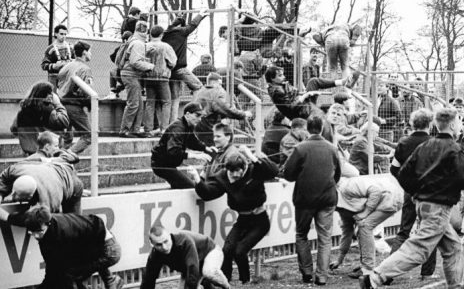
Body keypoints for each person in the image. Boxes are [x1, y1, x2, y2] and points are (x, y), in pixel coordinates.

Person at [359, 108, 464, 289]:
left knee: (453, 247)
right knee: (419, 249)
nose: (460, 126)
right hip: (439, 208)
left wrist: (416, 192)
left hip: (422, 203)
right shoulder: (455, 148)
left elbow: (401, 172)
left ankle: (456, 285)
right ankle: (375, 278)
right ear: (452, 125)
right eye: (459, 122)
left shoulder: (424, 146)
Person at [188, 145, 278, 284]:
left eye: (238, 172)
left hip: (259, 220)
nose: (235, 175)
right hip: (243, 219)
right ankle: (225, 281)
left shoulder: (255, 171)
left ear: (245, 168)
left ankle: (245, 281)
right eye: (231, 172)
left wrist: (250, 155)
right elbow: (208, 193)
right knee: (227, 249)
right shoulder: (223, 177)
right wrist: (197, 180)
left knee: (240, 251)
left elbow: (273, 171)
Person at [284, 116, 341, 285]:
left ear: (308, 129)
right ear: (322, 128)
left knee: (302, 234)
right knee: (325, 238)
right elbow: (337, 174)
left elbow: (288, 174)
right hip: (327, 197)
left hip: (305, 199)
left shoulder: (300, 148)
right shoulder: (332, 148)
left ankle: (307, 272)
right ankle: (322, 275)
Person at [388, 108, 437, 282]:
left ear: (411, 123)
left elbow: (394, 168)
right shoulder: (434, 143)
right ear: (430, 124)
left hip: (410, 192)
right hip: (429, 194)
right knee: (429, 232)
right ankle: (427, 272)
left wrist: (406, 183)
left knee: (404, 231)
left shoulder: (403, 142)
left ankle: (389, 271)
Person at [24, 205, 123, 289]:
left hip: (108, 249)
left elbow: (59, 272)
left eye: (39, 231)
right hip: (93, 240)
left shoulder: (64, 233)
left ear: (48, 224)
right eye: (31, 232)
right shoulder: (46, 229)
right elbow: (51, 268)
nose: (35, 236)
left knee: (70, 275)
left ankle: (111, 281)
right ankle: (111, 281)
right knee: (69, 275)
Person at [330, 175, 403, 278]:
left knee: (364, 226)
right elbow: (347, 233)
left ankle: (367, 269)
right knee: (362, 227)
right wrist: (339, 260)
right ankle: (365, 266)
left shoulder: (348, 186)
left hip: (390, 196)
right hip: (385, 199)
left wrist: (366, 212)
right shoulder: (341, 207)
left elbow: (375, 191)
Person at [0, 159, 83, 226]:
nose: (13, 197)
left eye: (18, 196)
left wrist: (8, 217)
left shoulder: (48, 198)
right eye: (14, 193)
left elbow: (39, 219)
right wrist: (0, 194)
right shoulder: (15, 170)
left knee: (73, 224)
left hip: (71, 182)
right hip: (51, 170)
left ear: (30, 196)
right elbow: (5, 176)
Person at [141, 226, 230, 289]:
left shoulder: (185, 241)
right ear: (152, 244)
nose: (164, 247)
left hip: (211, 252)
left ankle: (227, 286)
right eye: (159, 244)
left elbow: (192, 269)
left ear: (169, 236)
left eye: (166, 241)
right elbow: (148, 279)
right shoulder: (155, 254)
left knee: (208, 272)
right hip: (194, 263)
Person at [151, 102, 215, 189]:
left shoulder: (188, 125)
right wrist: (195, 156)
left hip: (168, 164)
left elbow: (192, 141)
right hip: (161, 165)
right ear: (187, 114)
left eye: (201, 116)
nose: (200, 119)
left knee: (180, 185)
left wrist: (206, 148)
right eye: (197, 115)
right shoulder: (178, 128)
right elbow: (173, 151)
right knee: (190, 187)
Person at [162, 10, 208, 122]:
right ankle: (192, 112)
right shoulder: (181, 32)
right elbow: (192, 25)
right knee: (198, 87)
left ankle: (173, 122)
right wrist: (201, 14)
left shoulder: (164, 34)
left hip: (169, 70)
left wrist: (178, 18)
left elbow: (177, 25)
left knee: (175, 98)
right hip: (180, 69)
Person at [10, 81, 69, 155]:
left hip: (30, 153)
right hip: (47, 153)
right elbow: (64, 122)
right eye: (50, 93)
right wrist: (58, 104)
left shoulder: (22, 112)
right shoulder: (48, 110)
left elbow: (13, 129)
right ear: (44, 95)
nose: (52, 95)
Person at [119, 21, 155, 138]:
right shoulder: (138, 43)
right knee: (133, 104)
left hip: (130, 74)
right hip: (131, 75)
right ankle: (125, 130)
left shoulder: (132, 40)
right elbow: (135, 62)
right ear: (146, 31)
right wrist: (150, 66)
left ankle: (135, 130)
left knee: (139, 104)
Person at [194, 72, 251, 146]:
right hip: (209, 126)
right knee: (226, 139)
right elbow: (227, 110)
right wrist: (244, 114)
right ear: (214, 83)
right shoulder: (216, 92)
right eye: (220, 84)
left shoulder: (201, 91)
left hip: (198, 126)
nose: (221, 86)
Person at [57, 41, 93, 154]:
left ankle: (58, 159)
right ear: (84, 52)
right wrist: (91, 105)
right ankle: (66, 157)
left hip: (61, 104)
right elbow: (86, 91)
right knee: (88, 136)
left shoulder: (67, 66)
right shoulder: (85, 69)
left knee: (67, 137)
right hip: (74, 105)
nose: (91, 54)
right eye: (90, 51)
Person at [143, 25, 178, 137]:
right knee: (166, 103)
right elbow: (172, 62)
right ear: (162, 34)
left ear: (150, 34)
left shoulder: (145, 46)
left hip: (148, 77)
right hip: (162, 78)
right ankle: (164, 129)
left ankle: (148, 129)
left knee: (150, 103)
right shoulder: (166, 46)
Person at [106, 30, 133, 99]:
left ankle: (113, 91)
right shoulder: (134, 46)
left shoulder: (121, 47)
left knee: (112, 72)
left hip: (125, 73)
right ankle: (115, 90)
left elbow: (112, 57)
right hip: (132, 73)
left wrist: (119, 63)